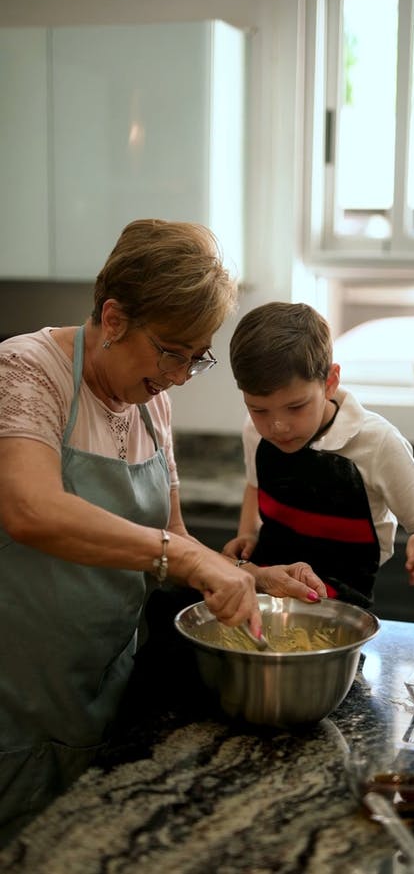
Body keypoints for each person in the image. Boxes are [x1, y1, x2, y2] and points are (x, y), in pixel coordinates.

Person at [0, 222, 325, 847]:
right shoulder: (27, 371)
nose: (179, 375)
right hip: (15, 701)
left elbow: (168, 537)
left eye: (194, 357)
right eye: (172, 352)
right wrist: (190, 559)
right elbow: (29, 509)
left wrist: (250, 577)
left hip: (102, 692)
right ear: (115, 318)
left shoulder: (152, 405)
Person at [223, 301, 414, 608]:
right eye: (258, 409)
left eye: (296, 407)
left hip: (341, 604)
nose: (277, 426)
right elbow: (255, 487)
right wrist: (249, 534)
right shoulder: (255, 431)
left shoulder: (377, 443)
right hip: (267, 591)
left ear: (330, 382)